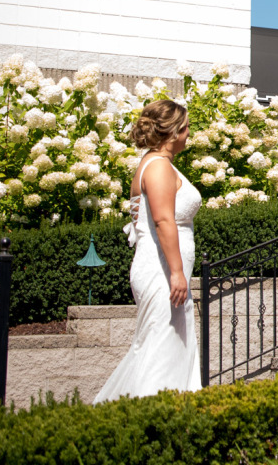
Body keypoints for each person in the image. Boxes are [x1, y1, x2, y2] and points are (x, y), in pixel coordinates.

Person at [93, 99, 202, 403]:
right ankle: (148, 415)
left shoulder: (156, 163)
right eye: (186, 127)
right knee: (160, 348)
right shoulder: (158, 167)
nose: (189, 132)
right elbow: (163, 219)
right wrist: (177, 273)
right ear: (173, 131)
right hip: (162, 273)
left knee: (167, 347)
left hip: (164, 272)